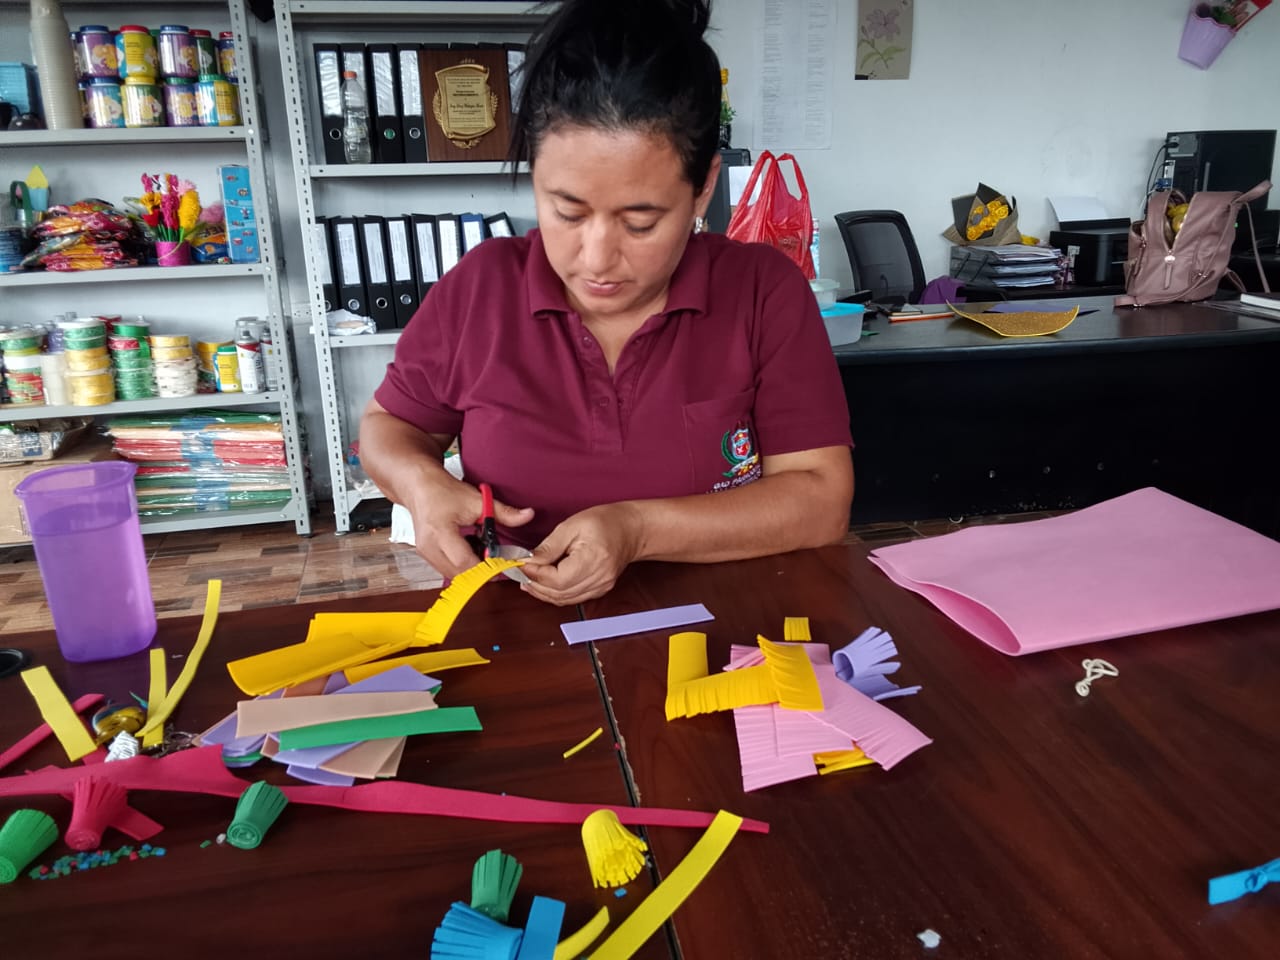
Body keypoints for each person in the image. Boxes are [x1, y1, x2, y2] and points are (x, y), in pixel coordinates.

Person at [360, 0, 853, 606]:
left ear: (703, 188)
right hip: (516, 630)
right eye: (567, 212)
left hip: (724, 627)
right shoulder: (481, 288)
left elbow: (821, 500)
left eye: (640, 223)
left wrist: (636, 529)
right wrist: (420, 483)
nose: (596, 259)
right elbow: (389, 427)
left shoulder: (762, 292)